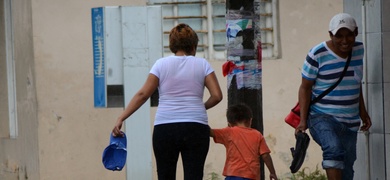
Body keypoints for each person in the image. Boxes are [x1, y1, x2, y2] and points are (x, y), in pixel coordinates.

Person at [112, 23, 223, 180]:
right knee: (194, 175)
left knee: (165, 175)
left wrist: (121, 118)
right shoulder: (202, 64)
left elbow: (143, 94)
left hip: (165, 127)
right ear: (193, 45)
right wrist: (200, 107)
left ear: (172, 45)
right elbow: (217, 95)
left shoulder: (161, 64)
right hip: (195, 127)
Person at [296, 13, 372, 180]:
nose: (345, 41)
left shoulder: (359, 50)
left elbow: (355, 83)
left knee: (347, 167)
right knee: (333, 148)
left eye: (349, 35)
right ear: (330, 35)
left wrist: (363, 112)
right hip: (322, 117)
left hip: (351, 122)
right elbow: (305, 88)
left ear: (356, 33)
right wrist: (302, 121)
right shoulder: (317, 53)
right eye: (339, 36)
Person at [210, 103, 278, 180]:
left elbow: (209, 132)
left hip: (233, 175)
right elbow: (266, 156)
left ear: (229, 123)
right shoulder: (257, 135)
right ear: (250, 120)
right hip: (252, 176)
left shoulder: (228, 132)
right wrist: (272, 172)